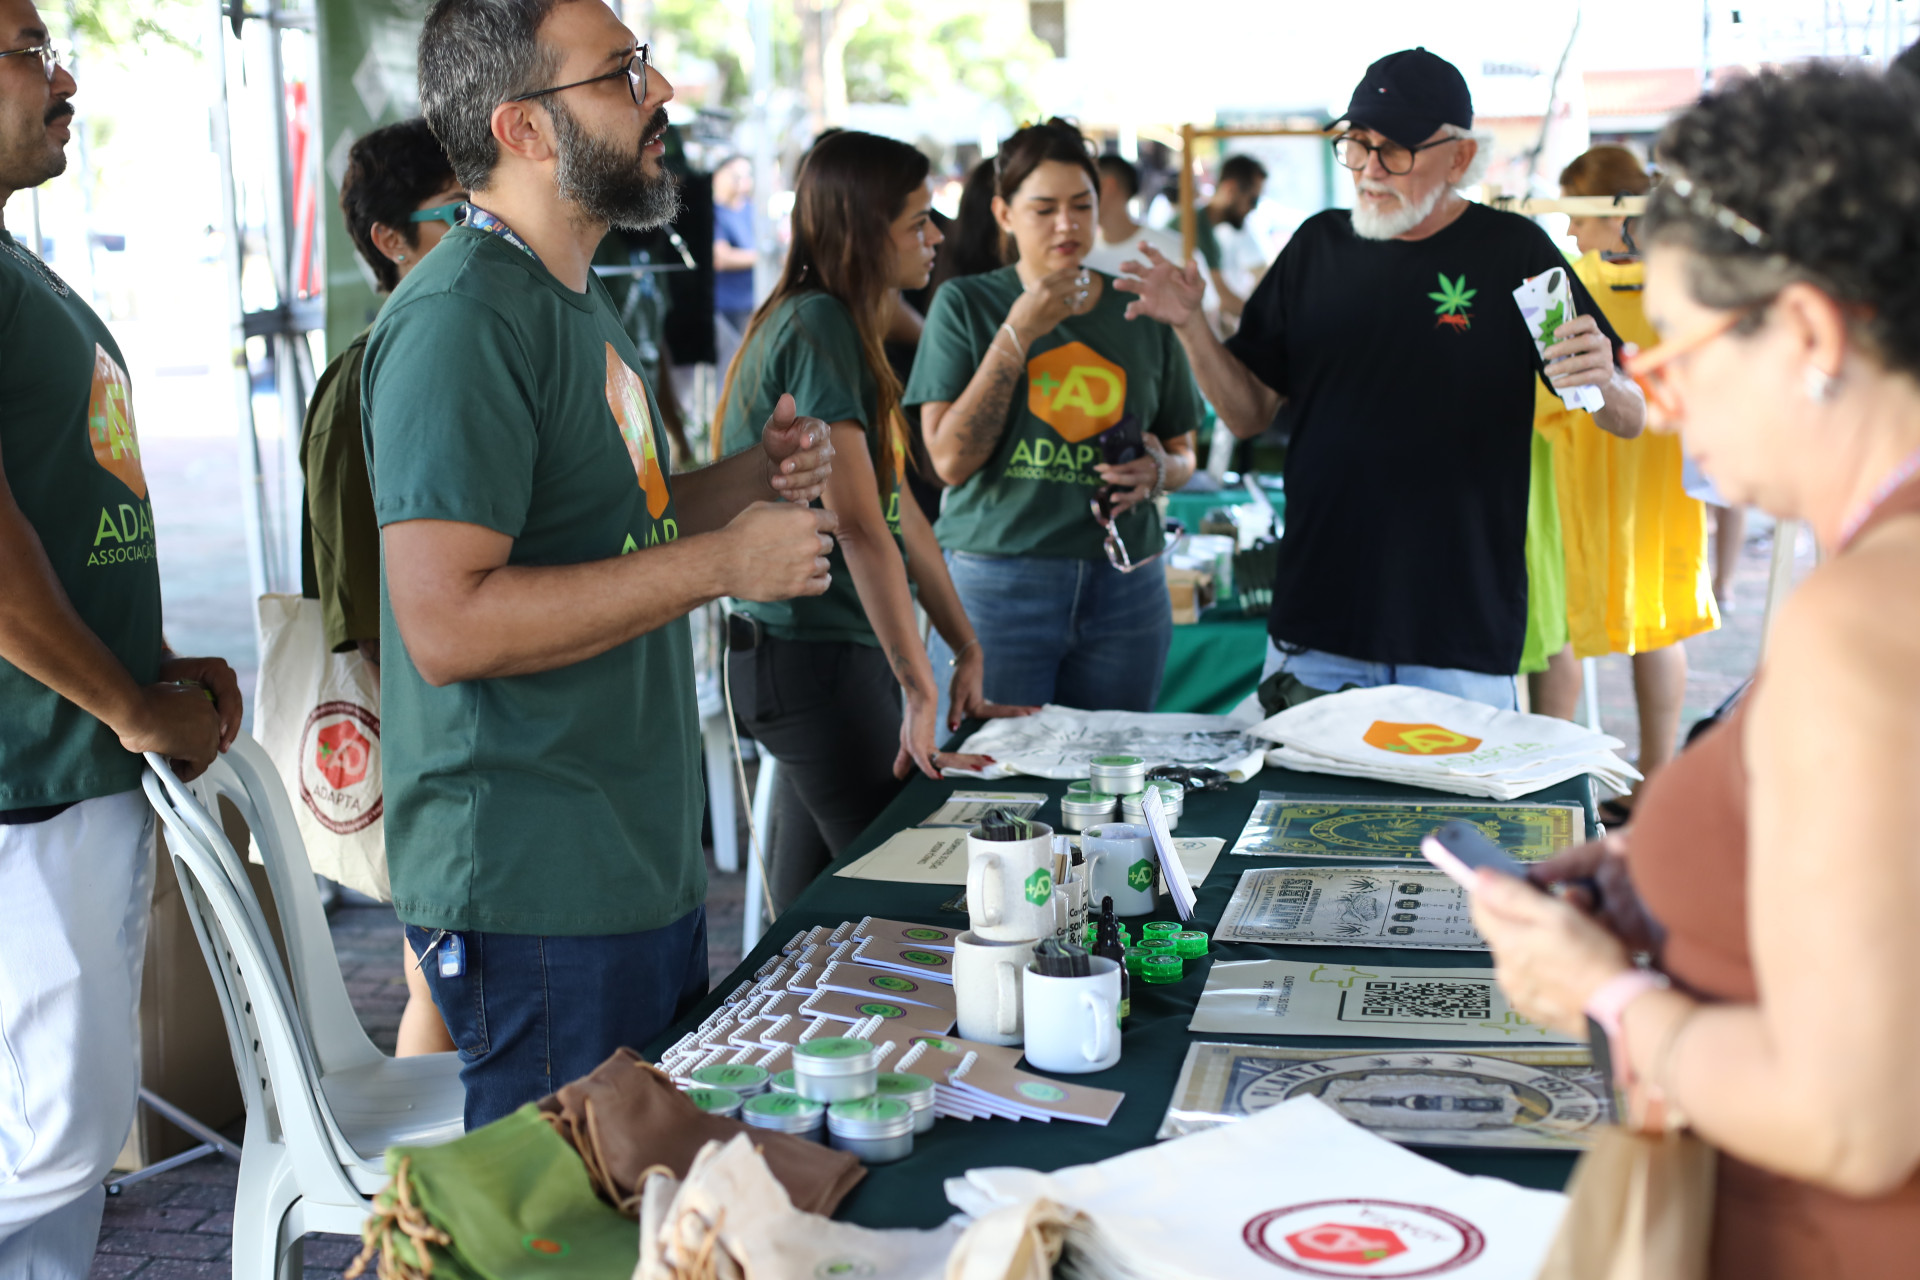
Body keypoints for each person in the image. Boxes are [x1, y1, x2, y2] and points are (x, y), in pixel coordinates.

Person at [1471, 65, 1920, 1278]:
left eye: (1678, 350)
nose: (1658, 396)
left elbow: (1849, 1117)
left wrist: (1606, 994)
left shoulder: (1864, 612)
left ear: (1810, 335)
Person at [368, 0, 837, 1129]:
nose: (660, 92)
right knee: (565, 1209)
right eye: (623, 72)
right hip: (536, 881)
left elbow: (624, 524)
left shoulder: (572, 294)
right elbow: (449, 623)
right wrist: (723, 562)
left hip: (625, 860)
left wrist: (751, 482)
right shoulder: (462, 319)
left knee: (637, 1191)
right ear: (524, 127)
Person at [1119, 47, 1646, 711]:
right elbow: (1248, 414)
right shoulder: (1315, 248)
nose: (1369, 168)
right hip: (1319, 625)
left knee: (1457, 786)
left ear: (1459, 157)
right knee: (1303, 786)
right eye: (1358, 144)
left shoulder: (1515, 253)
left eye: (1394, 150)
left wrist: (1609, 382)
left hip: (1459, 632)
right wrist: (1192, 325)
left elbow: (1627, 414)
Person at [0, 4, 243, 1272]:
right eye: (30, 50)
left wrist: (144, 666)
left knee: (63, 1144)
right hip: (30, 782)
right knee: (56, 1132)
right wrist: (129, 703)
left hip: (75, 751)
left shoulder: (19, 267)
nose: (64, 78)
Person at [715, 130, 1029, 911]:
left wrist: (963, 644)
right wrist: (919, 687)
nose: (938, 236)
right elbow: (858, 526)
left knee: (812, 910)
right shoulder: (819, 324)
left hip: (810, 658)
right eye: (918, 222)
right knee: (897, 896)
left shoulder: (844, 317)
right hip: (809, 659)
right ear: (863, 233)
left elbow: (899, 516)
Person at [909, 118, 1201, 711]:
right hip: (999, 579)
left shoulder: (1139, 309)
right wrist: (1018, 331)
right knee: (990, 762)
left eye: (1081, 206)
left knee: (1116, 760)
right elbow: (949, 461)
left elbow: (1184, 452)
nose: (1066, 224)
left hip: (1125, 581)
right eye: (1043, 209)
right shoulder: (966, 304)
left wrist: (1158, 471)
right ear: (1004, 213)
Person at [299, 118, 465, 1059]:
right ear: (390, 240)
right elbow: (365, 620)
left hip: (462, 744)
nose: (485, 234)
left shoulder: (453, 351)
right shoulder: (368, 379)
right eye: (457, 215)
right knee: (442, 985)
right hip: (431, 745)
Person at [1528, 145, 1719, 818]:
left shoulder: (1561, 288)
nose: (1569, 229)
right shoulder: (1685, 286)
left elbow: (1541, 402)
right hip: (1655, 476)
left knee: (1563, 629)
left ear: (1615, 213)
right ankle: (1654, 777)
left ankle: (1549, 777)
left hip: (1584, 476)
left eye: (1578, 215)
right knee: (1655, 626)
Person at [1168, 153, 1265, 322]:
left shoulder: (1206, 229)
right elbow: (1224, 300)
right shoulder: (1194, 227)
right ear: (1230, 189)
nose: (1253, 209)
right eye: (1253, 200)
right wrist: (1268, 320)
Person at [1081, 154, 1183, 278]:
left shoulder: (1174, 250)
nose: (1079, 197)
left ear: (1108, 186)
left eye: (1086, 187)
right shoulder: (1083, 256)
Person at [710, 152, 755, 373]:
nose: (742, 181)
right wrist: (761, 257)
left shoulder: (750, 209)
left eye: (746, 175)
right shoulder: (715, 212)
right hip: (724, 305)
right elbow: (720, 257)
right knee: (729, 369)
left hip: (751, 301)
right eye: (736, 175)